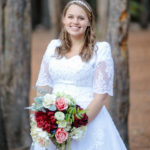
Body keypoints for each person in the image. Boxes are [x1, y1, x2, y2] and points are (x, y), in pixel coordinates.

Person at [31, 0, 127, 150]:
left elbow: (101, 96)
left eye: (81, 18)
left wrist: (75, 125)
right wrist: (43, 118)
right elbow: (43, 86)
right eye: (70, 17)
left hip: (89, 120)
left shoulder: (100, 50)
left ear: (89, 21)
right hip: (53, 123)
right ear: (63, 19)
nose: (75, 21)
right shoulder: (53, 47)